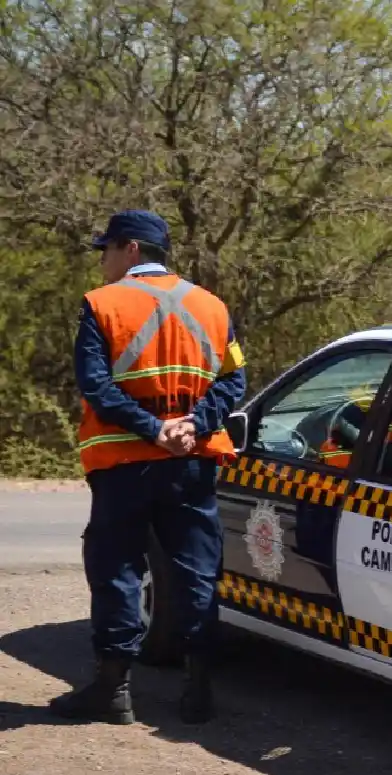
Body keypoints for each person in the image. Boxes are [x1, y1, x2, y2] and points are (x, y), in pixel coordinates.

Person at [48, 210, 246, 726]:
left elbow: (96, 386)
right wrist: (193, 424)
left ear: (131, 249)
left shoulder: (101, 304)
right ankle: (199, 691)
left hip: (124, 462)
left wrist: (151, 428)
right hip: (192, 461)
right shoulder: (213, 306)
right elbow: (233, 382)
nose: (103, 260)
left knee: (117, 567)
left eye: (107, 249)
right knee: (196, 570)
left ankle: (113, 692)